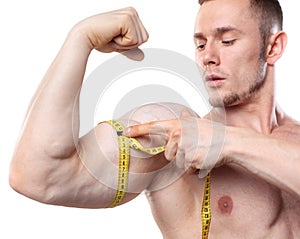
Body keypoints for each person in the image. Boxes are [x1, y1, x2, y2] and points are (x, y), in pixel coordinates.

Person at [9, 0, 300, 238]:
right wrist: (79, 39)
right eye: (200, 45)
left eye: (227, 40)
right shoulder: (171, 136)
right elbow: (37, 177)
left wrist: (230, 143)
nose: (208, 56)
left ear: (273, 48)